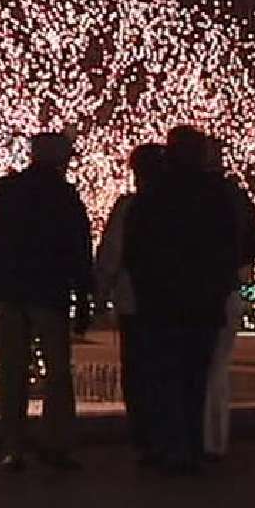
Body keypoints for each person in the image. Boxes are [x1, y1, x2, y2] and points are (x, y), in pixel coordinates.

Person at [0, 133, 93, 472]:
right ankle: (57, 442)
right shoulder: (64, 196)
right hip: (49, 292)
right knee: (57, 373)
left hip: (9, 291)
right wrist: (83, 296)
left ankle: (13, 444)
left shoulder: (6, 191)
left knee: (11, 371)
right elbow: (78, 249)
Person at [124, 125, 240, 475]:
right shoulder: (218, 193)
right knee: (195, 376)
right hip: (203, 298)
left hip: (160, 300)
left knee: (165, 375)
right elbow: (242, 239)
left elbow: (135, 249)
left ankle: (167, 446)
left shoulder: (152, 196)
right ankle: (191, 446)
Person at [94, 143, 167, 458]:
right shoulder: (181, 206)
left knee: (137, 370)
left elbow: (111, 254)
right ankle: (170, 434)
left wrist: (100, 292)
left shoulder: (129, 207)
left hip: (135, 300)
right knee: (168, 369)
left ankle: (144, 437)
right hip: (173, 301)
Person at [201, 137, 255, 460]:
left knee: (192, 366)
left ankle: (195, 438)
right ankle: (213, 440)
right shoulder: (231, 196)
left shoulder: (173, 194)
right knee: (215, 366)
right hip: (222, 286)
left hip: (188, 290)